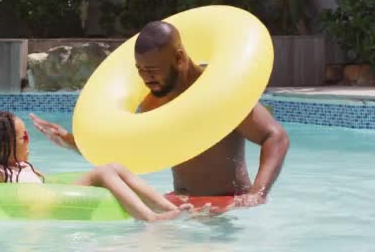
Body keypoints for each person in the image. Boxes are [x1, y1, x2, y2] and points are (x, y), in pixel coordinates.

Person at [30, 20, 290, 210]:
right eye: (140, 70)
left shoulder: (220, 93)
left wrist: (258, 193)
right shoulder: (154, 101)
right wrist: (72, 142)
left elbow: (275, 136)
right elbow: (132, 155)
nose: (146, 78)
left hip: (226, 206)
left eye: (153, 70)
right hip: (181, 202)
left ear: (179, 58)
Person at [0, 111, 194, 223]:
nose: (29, 141)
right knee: (104, 171)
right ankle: (150, 217)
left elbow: (49, 184)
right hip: (47, 205)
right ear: (3, 146)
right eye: (24, 137)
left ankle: (167, 206)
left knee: (115, 166)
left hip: (50, 197)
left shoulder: (25, 167)